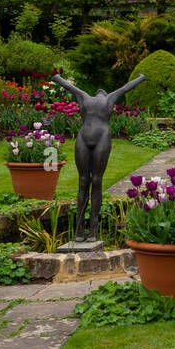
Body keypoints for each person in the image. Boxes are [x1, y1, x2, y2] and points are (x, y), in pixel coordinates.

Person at [49, 73, 146, 241]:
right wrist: (141, 78)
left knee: (84, 181)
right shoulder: (109, 98)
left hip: (84, 136)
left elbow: (68, 86)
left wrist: (56, 77)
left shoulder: (85, 96)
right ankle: (91, 230)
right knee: (95, 181)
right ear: (103, 93)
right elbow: (127, 87)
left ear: (97, 93)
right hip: (101, 135)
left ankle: (82, 230)